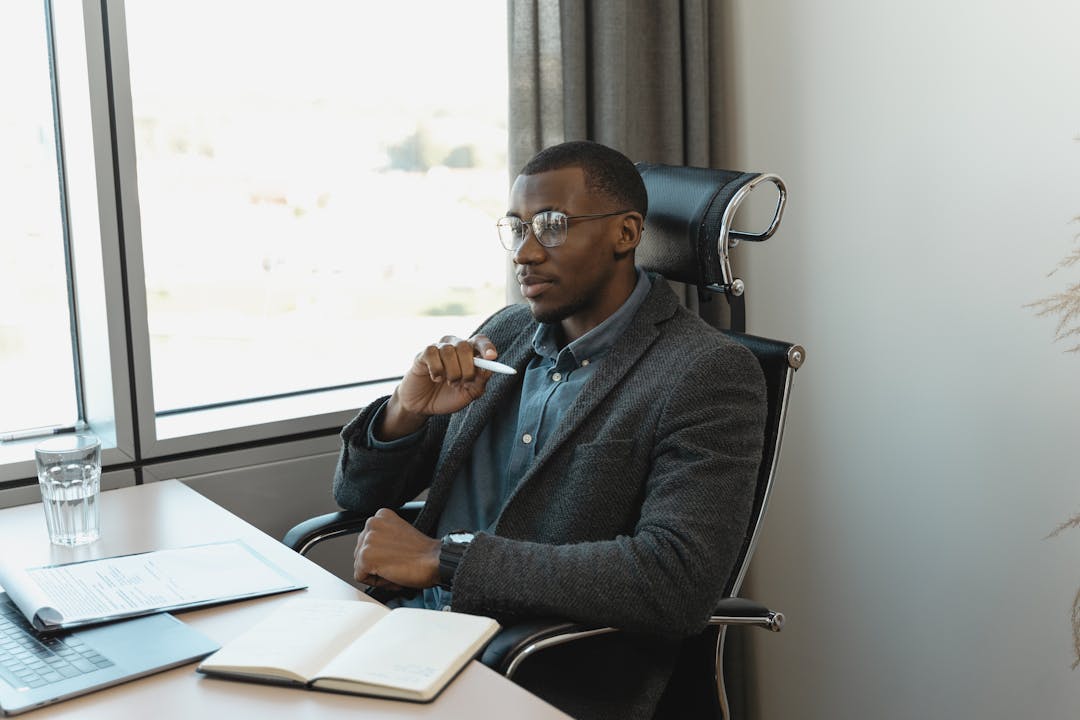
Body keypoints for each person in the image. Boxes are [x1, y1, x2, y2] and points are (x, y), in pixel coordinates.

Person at [332, 140, 766, 719]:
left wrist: (445, 559)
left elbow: (675, 580)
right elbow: (357, 497)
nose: (526, 253)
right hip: (408, 635)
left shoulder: (705, 371)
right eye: (517, 228)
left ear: (626, 233)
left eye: (553, 226)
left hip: (528, 668)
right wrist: (404, 413)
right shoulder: (505, 333)